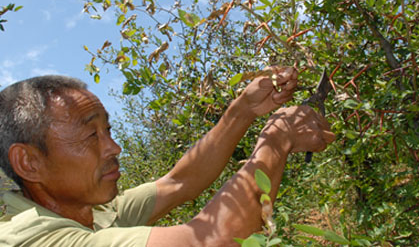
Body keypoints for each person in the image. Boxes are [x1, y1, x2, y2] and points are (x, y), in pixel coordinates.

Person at [0, 68, 335, 246]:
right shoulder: (31, 239)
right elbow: (213, 242)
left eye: (109, 131)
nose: (114, 148)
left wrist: (243, 110)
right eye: (91, 135)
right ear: (29, 162)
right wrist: (277, 138)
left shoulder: (93, 210)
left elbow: (180, 182)